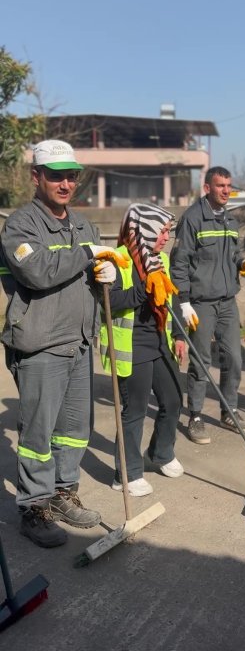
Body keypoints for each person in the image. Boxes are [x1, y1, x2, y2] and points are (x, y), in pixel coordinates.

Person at [0, 139, 117, 548]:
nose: (66, 183)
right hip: (41, 343)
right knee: (38, 432)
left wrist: (108, 273)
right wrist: (88, 253)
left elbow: (92, 267)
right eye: (56, 175)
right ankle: (34, 507)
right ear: (37, 177)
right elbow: (38, 272)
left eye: (72, 175)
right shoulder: (20, 225)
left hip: (79, 340)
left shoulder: (83, 223)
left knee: (73, 431)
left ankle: (64, 493)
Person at [99, 203, 185, 495]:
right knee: (134, 410)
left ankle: (161, 453)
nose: (165, 238)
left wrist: (179, 336)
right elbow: (109, 304)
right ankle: (126, 473)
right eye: (161, 232)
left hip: (160, 340)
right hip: (132, 343)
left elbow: (168, 302)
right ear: (144, 230)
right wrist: (144, 288)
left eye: (167, 232)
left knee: (173, 400)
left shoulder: (160, 260)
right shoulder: (116, 259)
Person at [170, 166, 245, 444]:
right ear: (207, 188)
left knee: (234, 358)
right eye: (220, 186)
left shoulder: (230, 220)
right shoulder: (193, 219)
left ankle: (229, 410)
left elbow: (235, 251)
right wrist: (183, 302)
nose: (226, 191)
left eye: (229, 185)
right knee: (201, 362)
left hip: (228, 301)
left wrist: (242, 262)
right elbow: (179, 263)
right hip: (201, 302)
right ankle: (194, 416)